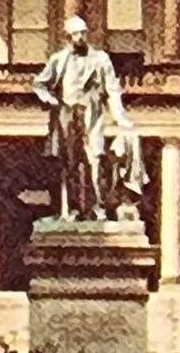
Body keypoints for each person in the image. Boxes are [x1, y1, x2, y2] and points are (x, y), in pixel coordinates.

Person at [32, 16, 145, 220]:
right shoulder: (58, 59)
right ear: (68, 37)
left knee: (95, 158)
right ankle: (70, 209)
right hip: (66, 113)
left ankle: (97, 207)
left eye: (83, 33)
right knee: (69, 163)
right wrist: (51, 100)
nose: (81, 37)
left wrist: (120, 116)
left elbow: (112, 89)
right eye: (76, 34)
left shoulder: (100, 59)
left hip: (91, 112)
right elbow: (39, 84)